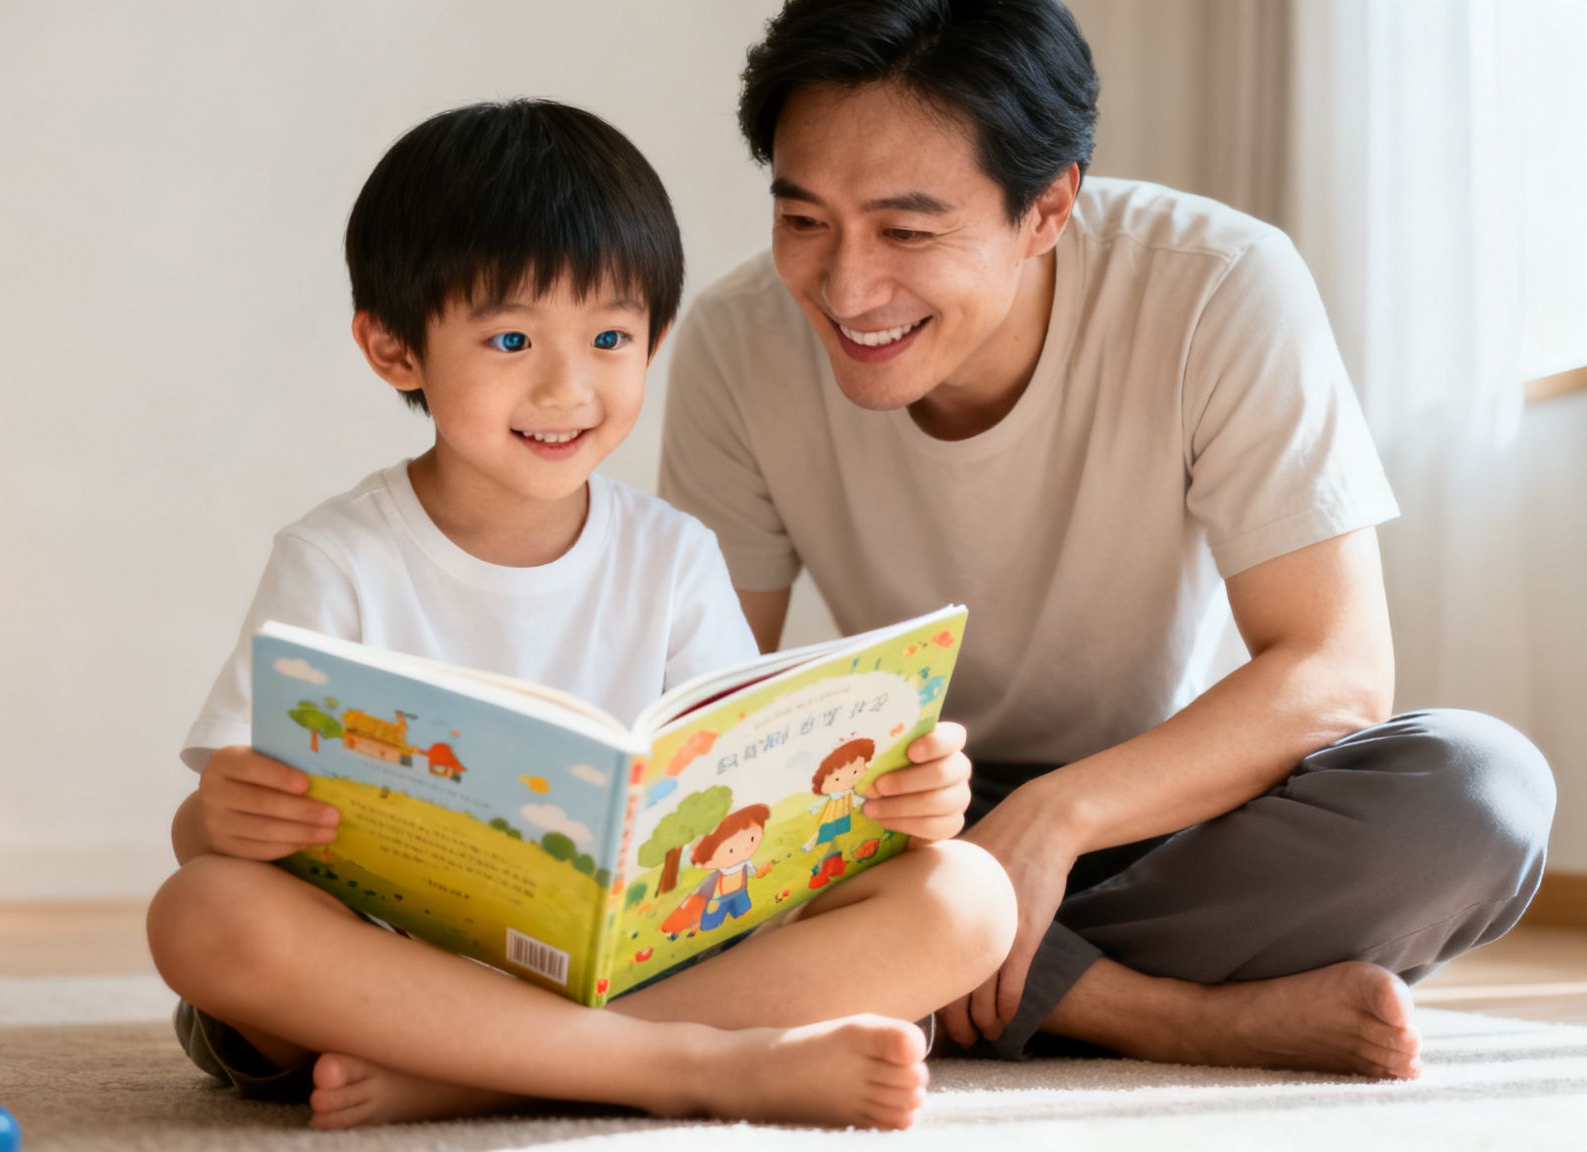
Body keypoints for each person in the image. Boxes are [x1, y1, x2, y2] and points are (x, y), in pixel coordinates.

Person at [660, 0, 1555, 1078]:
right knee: (722, 865)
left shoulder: (1215, 285)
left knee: (1475, 795)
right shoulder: (732, 342)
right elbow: (708, 721)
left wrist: (1054, 819)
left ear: (1046, 209)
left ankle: (935, 978)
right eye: (803, 220)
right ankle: (1152, 1014)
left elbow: (1332, 673)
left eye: (905, 230)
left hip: (1179, 806)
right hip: (917, 820)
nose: (844, 289)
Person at [147, 98, 1017, 1132]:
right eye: (510, 338)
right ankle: (694, 1067)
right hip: (391, 979)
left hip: (633, 967)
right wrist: (222, 818)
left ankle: (498, 1074)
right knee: (203, 915)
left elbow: (753, 805)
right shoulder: (337, 559)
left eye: (610, 336)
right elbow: (205, 833)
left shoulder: (675, 556)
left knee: (966, 897)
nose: (567, 386)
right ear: (393, 350)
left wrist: (893, 797)